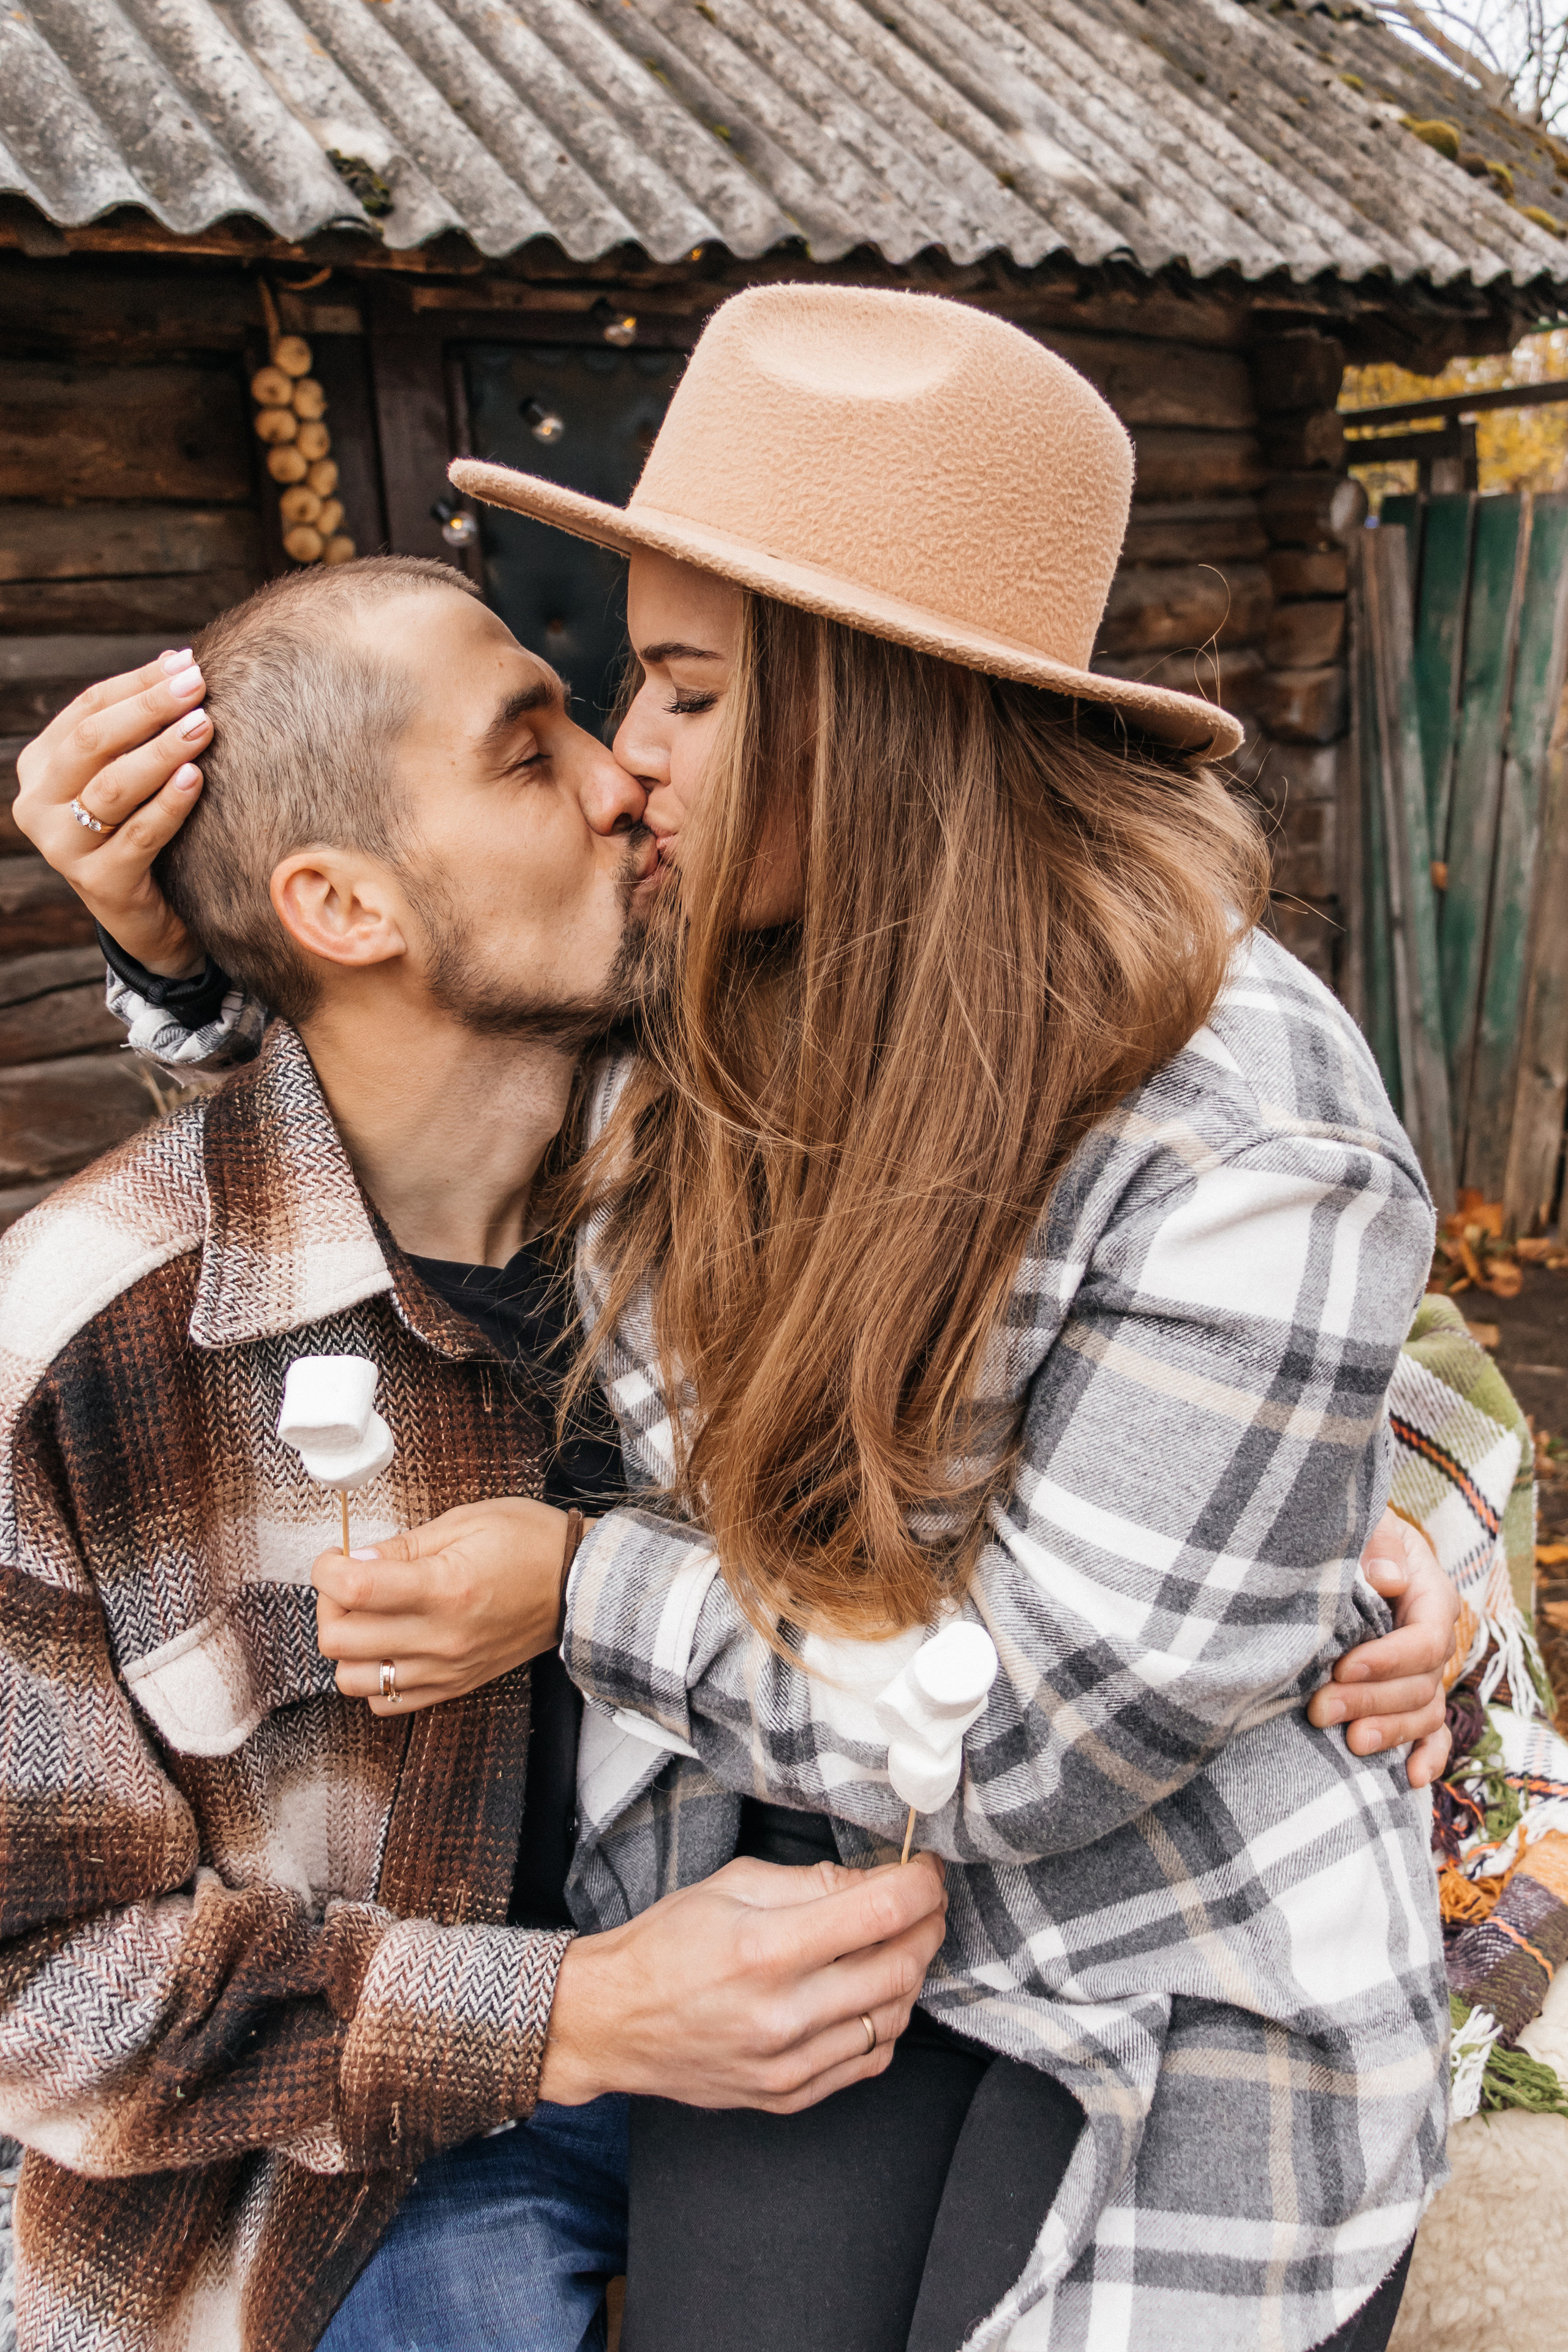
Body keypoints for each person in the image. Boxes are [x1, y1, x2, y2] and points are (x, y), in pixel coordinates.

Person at [14, 293, 1459, 2352]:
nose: (628, 762)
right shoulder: (698, 1008)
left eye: (679, 689)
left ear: (874, 722)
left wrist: (580, 1590)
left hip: (1154, 1946)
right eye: (595, 707)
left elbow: (1087, 1666)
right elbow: (401, 1133)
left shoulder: (1212, 1113)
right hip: (728, 1925)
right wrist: (194, 945)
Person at [0, 556, 953, 2352]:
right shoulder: (77, 1350)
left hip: (798, 2065)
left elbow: (1222, 1329)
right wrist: (570, 2014)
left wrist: (1401, 1566)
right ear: (345, 906)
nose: (623, 779)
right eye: (531, 755)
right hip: (343, 2177)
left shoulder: (762, 1171)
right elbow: (31, 1985)